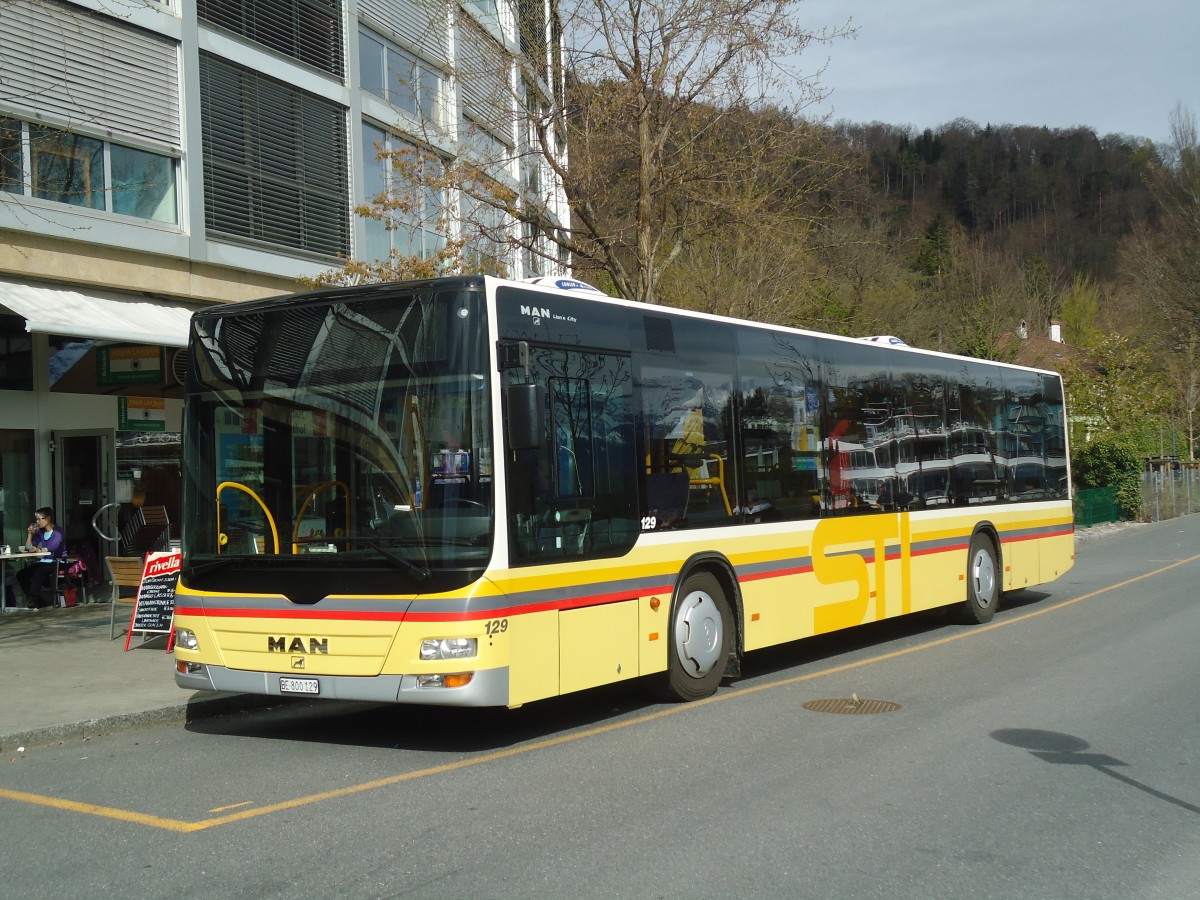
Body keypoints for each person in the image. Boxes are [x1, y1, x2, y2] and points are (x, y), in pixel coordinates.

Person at [17, 507, 67, 609]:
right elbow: (28, 547)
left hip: (57, 561)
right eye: (37, 519)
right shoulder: (41, 532)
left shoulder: (58, 532)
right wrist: (30, 535)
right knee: (21, 574)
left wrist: (39, 550)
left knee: (39, 571)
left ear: (48, 519)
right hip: (44, 562)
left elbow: (53, 547)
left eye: (39, 519)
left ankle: (32, 599)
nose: (37, 521)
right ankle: (37, 599)